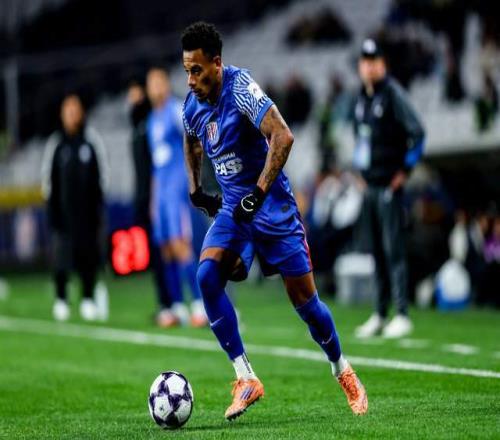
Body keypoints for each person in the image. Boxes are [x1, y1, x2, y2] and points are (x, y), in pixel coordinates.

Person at [181, 21, 367, 421]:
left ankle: (341, 368)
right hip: (235, 210)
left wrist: (259, 193)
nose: (191, 80)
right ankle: (245, 377)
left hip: (273, 209)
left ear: (217, 63)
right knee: (207, 276)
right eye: (186, 71)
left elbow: (283, 136)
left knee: (306, 304)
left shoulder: (241, 89)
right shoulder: (192, 104)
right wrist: (196, 188)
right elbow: (191, 137)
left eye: (197, 70)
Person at [352, 39, 425, 338]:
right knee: (377, 253)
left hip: (388, 187)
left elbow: (418, 133)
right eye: (365, 62)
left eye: (374, 61)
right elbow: (361, 140)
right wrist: (360, 171)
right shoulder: (361, 99)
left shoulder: (392, 94)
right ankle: (380, 313)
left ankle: (402, 313)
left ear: (383, 65)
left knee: (393, 249)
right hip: (370, 186)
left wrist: (404, 171)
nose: (369, 67)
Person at [145, 67, 207, 328]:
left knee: (181, 245)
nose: (155, 88)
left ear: (166, 85)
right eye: (151, 84)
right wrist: (153, 199)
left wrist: (191, 181)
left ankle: (199, 305)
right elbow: (155, 165)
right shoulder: (151, 120)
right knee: (166, 249)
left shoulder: (175, 111)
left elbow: (194, 140)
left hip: (177, 189)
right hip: (161, 194)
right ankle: (178, 307)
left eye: (159, 82)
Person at [41, 94, 109, 322]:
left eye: (75, 110)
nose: (71, 115)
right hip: (63, 215)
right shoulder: (56, 144)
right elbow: (48, 180)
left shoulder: (91, 141)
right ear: (62, 115)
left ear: (81, 113)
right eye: (67, 111)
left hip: (87, 215)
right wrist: (52, 210)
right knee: (61, 259)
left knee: (88, 257)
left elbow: (102, 175)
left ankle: (88, 298)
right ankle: (61, 299)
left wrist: (98, 206)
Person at [127, 81, 174, 327]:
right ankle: (167, 304)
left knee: (168, 252)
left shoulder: (151, 126)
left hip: (160, 197)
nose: (132, 101)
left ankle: (176, 304)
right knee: (158, 256)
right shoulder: (137, 129)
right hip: (145, 198)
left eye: (136, 95)